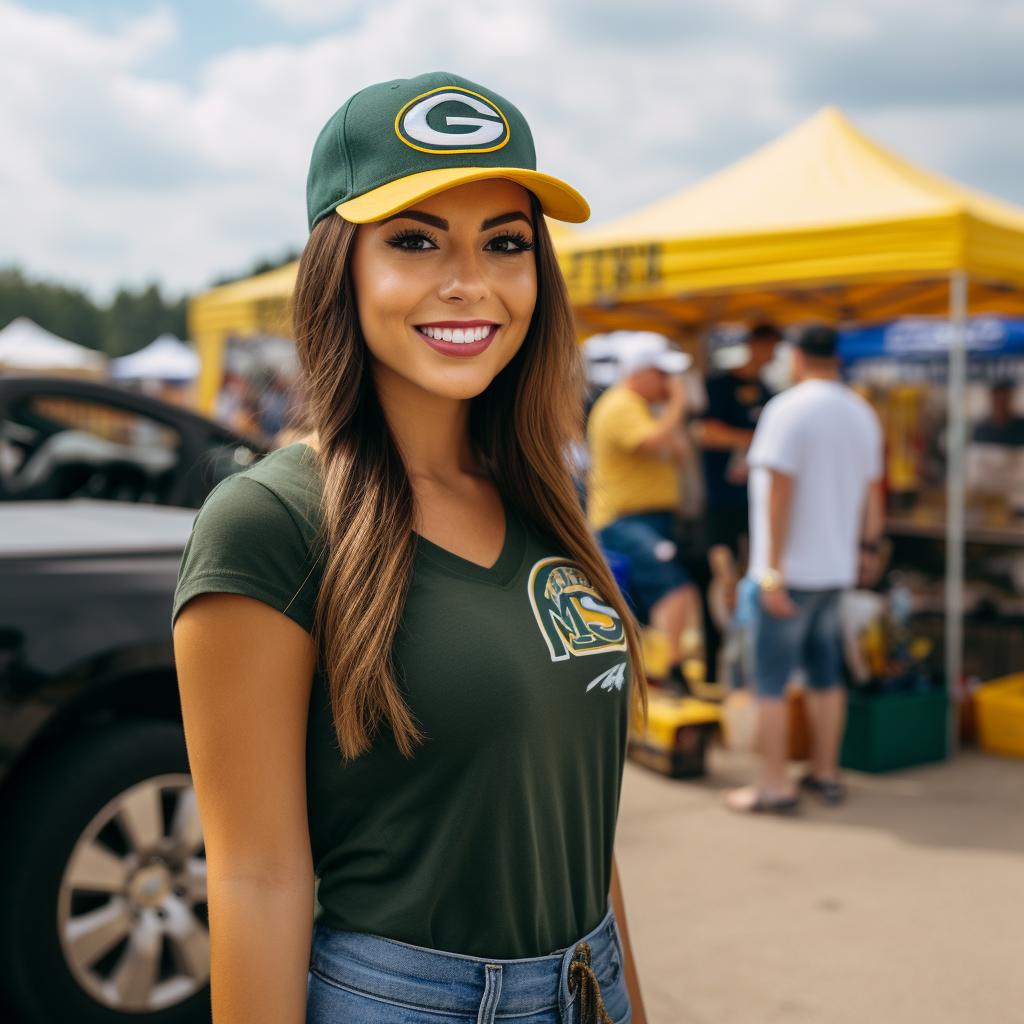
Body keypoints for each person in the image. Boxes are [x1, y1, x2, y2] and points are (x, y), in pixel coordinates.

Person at [172, 73, 647, 1024]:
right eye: (415, 241)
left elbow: (576, 823)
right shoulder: (270, 521)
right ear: (338, 267)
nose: (469, 281)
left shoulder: (543, 498)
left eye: (505, 243)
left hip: (590, 984)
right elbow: (257, 877)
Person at [725, 324, 884, 813]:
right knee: (824, 674)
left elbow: (778, 492)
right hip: (834, 568)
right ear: (834, 357)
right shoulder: (862, 411)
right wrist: (868, 549)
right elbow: (873, 491)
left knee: (770, 680)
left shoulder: (787, 409)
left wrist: (770, 571)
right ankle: (825, 772)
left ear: (795, 357)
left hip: (789, 573)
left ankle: (775, 785)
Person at [587, 335, 703, 685]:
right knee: (675, 587)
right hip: (625, 520)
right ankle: (671, 668)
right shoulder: (622, 404)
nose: (670, 383)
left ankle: (647, 672)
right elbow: (649, 442)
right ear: (641, 372)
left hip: (646, 519)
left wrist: (669, 410)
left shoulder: (641, 408)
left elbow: (677, 452)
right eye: (663, 375)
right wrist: (678, 403)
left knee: (638, 604)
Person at [693, 324, 779, 680]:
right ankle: (715, 668)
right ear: (751, 345)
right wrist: (753, 439)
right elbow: (705, 433)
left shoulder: (770, 391)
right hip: (720, 503)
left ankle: (750, 668)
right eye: (765, 346)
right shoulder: (719, 386)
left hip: (756, 505)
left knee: (755, 583)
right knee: (720, 583)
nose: (770, 354)